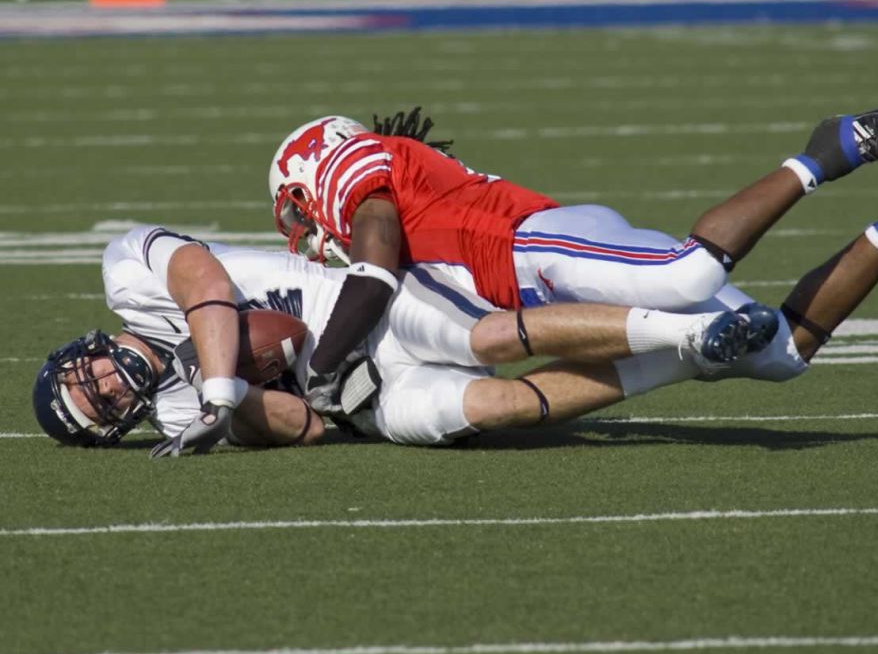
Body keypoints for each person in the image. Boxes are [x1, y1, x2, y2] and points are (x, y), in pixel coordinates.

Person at [266, 107, 878, 416]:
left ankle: (823, 153)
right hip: (546, 288)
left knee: (688, 272)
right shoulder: (383, 188)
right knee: (780, 353)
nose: (304, 229)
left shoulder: (355, 168)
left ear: (310, 167)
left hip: (533, 245)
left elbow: (376, 266)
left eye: (296, 212)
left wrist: (324, 363)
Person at [32, 225, 778, 456]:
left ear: (81, 347)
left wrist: (218, 379)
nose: (108, 383)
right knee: (501, 406)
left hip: (368, 309)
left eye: (86, 376)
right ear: (118, 425)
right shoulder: (172, 418)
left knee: (491, 340)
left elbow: (203, 282)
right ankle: (684, 361)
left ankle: (686, 322)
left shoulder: (125, 271)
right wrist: (236, 405)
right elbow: (307, 425)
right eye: (100, 404)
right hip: (362, 399)